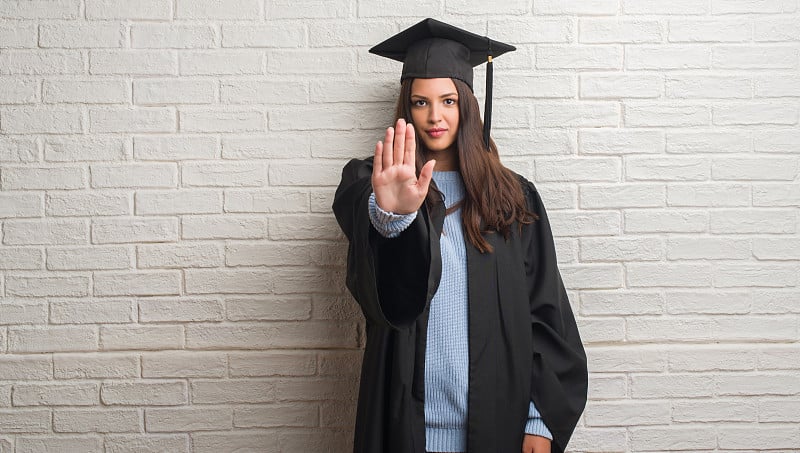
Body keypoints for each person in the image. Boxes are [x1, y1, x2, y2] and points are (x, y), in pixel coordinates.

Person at [332, 19, 588, 453]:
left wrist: (538, 423)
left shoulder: (512, 197)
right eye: (420, 102)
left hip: (497, 426)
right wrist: (391, 216)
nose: (435, 116)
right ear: (405, 108)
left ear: (468, 103)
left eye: (448, 100)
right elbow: (373, 270)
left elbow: (546, 314)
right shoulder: (372, 182)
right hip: (404, 427)